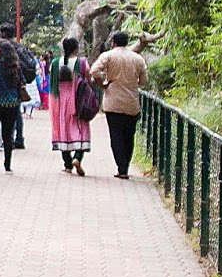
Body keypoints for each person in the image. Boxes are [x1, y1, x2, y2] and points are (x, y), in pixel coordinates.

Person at [94, 30, 150, 180]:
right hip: (132, 102)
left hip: (113, 102)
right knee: (129, 135)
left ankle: (122, 167)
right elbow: (144, 81)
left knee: (116, 136)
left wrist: (103, 84)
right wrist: (132, 83)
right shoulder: (138, 59)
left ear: (113, 42)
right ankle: (126, 165)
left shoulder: (108, 56)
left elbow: (94, 71)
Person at [50, 37, 93, 175]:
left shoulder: (55, 63)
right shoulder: (82, 62)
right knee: (80, 129)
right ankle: (78, 157)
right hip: (77, 100)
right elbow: (88, 79)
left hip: (60, 101)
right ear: (76, 48)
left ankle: (67, 164)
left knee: (63, 129)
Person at [0, 38, 24, 172]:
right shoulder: (16, 66)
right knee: (8, 134)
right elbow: (22, 82)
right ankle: (8, 165)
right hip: (12, 104)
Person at [0, 23, 38, 149]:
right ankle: (19, 138)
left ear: (3, 33)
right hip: (18, 82)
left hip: (4, 83)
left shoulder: (1, 45)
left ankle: (7, 139)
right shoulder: (19, 47)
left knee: (5, 112)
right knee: (17, 112)